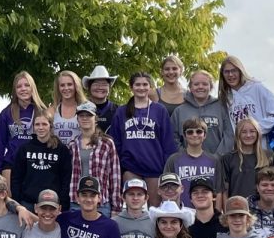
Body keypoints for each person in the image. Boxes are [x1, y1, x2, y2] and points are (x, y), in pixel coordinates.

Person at [111, 72, 177, 204]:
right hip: (131, 168)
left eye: (145, 84)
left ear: (150, 87)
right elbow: (115, 142)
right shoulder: (121, 111)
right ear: (131, 87)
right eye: (137, 84)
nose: (141, 88)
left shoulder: (159, 110)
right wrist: (121, 167)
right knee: (134, 209)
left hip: (154, 168)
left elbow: (168, 142)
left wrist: (166, 169)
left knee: (154, 210)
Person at [11, 107, 72, 211]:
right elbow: (16, 177)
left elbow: (66, 179)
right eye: (37, 124)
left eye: (44, 124)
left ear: (50, 126)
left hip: (52, 204)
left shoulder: (61, 149)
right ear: (33, 127)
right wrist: (18, 202)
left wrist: (63, 204)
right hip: (27, 203)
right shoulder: (24, 149)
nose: (40, 127)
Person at [69, 101, 122, 216]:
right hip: (76, 203)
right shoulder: (72, 145)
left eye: (89, 115)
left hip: (101, 203)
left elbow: (115, 177)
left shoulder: (107, 143)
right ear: (77, 119)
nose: (85, 118)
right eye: (81, 116)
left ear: (95, 119)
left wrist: (116, 207)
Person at [0, 70, 46, 183]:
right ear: (15, 90)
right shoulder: (6, 113)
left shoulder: (43, 112)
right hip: (12, 166)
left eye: (27, 85)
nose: (23, 89)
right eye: (19, 86)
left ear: (33, 88)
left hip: (36, 165)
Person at [218, 54, 274, 136]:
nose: (230, 75)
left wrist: (255, 129)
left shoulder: (256, 87)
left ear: (240, 71)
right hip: (239, 147)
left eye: (234, 70)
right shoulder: (224, 97)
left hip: (261, 146)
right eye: (226, 72)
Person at [171, 70, 231, 155]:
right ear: (190, 87)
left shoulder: (221, 108)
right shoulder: (179, 111)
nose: (200, 87)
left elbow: (229, 135)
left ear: (211, 87)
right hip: (188, 164)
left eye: (205, 84)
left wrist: (218, 157)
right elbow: (173, 138)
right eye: (196, 84)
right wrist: (185, 156)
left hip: (218, 162)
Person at [164, 117, 220, 207]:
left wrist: (217, 215)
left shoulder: (214, 160)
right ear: (184, 135)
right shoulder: (173, 160)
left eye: (199, 131)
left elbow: (219, 191)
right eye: (190, 132)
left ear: (205, 135)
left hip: (208, 215)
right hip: (181, 214)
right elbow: (166, 190)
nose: (194, 135)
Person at [218, 118, 272, 210]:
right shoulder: (228, 158)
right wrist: (226, 213)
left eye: (252, 131)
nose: (248, 135)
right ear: (238, 134)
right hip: (237, 210)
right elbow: (224, 190)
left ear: (258, 133)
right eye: (244, 132)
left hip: (263, 211)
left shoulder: (268, 157)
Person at [82, 64, 121, 135]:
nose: (100, 87)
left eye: (104, 84)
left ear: (109, 88)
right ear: (89, 87)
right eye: (96, 84)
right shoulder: (81, 109)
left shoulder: (118, 110)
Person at [50, 70, 85, 145]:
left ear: (76, 86)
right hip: (57, 154)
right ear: (58, 88)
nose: (66, 88)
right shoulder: (51, 111)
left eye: (69, 84)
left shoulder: (85, 109)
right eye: (62, 85)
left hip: (78, 155)